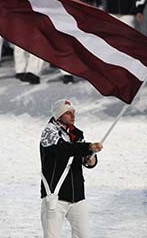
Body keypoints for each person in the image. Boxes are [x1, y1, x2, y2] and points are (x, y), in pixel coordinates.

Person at [40, 98, 103, 238]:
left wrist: (91, 159)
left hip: (77, 197)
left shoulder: (76, 134)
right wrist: (87, 147)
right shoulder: (48, 133)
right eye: (68, 113)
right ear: (58, 115)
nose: (73, 116)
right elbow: (63, 149)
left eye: (74, 112)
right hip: (55, 197)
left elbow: (81, 157)